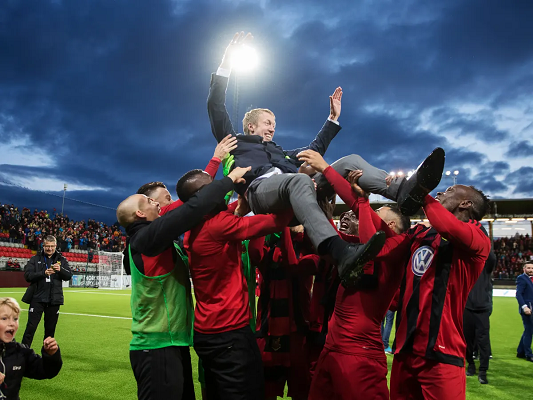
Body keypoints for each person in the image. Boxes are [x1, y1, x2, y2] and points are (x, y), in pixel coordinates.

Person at [208, 32, 445, 287]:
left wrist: (332, 119)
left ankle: (403, 192)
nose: (273, 128)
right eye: (268, 123)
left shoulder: (281, 153)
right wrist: (227, 62)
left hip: (296, 190)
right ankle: (341, 252)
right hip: (262, 192)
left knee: (349, 161)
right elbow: (215, 105)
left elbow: (314, 150)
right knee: (299, 180)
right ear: (250, 127)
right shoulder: (234, 143)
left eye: (275, 124)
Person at [117, 166, 250, 400]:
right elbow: (191, 208)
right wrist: (228, 180)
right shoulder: (145, 240)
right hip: (155, 348)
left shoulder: (156, 237)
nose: (158, 204)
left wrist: (234, 206)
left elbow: (191, 205)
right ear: (140, 214)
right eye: (149, 201)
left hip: (172, 343)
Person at [177, 169, 294, 400]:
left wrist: (239, 203)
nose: (222, 186)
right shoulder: (219, 225)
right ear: (204, 196)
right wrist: (299, 193)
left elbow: (230, 211)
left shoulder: (193, 226)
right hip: (229, 333)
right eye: (214, 185)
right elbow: (277, 221)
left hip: (207, 332)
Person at [306, 165, 410, 400]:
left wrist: (363, 203)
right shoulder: (351, 247)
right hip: (331, 348)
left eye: (378, 212)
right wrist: (321, 191)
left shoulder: (397, 248)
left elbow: (370, 244)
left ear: (390, 226)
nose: (370, 212)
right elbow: (325, 233)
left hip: (360, 354)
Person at [380, 185, 492, 400]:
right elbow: (386, 237)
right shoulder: (422, 233)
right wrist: (361, 201)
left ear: (465, 203)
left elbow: (450, 228)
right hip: (405, 349)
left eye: (449, 191)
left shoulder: (477, 236)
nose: (440, 193)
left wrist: (420, 192)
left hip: (442, 354)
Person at [0, 297, 62, 400]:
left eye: (15, 319)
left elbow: (46, 371)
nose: (11, 323)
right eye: (4, 318)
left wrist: (51, 355)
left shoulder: (21, 353)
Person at [21, 235, 72, 347]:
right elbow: (27, 276)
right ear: (43, 246)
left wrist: (61, 270)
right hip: (37, 298)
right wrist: (43, 273)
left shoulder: (61, 260)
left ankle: (47, 358)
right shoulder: (35, 259)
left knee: (50, 332)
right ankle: (22, 355)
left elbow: (69, 275)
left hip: (54, 300)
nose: (49, 248)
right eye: (47, 246)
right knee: (30, 328)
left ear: (55, 246)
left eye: (52, 246)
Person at [464, 247, 496, 384]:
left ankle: (483, 371)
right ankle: (470, 365)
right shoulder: (466, 268)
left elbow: (492, 258)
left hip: (482, 310)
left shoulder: (486, 269)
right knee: (466, 341)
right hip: (466, 309)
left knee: (483, 342)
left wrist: (483, 241)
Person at [516, 261, 533, 362]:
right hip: (527, 308)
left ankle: (520, 351)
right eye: (529, 268)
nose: (531, 270)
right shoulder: (521, 278)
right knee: (529, 331)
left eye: (532, 268)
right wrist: (524, 306)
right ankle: (528, 354)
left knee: (528, 330)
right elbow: (519, 294)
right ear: (524, 269)